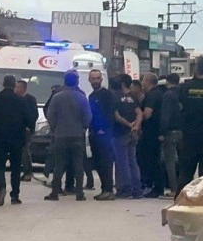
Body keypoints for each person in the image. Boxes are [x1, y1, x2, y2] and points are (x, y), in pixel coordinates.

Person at [45, 70, 92, 201]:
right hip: (77, 135)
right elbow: (88, 117)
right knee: (78, 164)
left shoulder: (57, 97)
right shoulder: (81, 97)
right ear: (77, 82)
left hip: (60, 135)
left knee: (59, 164)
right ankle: (79, 193)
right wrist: (83, 128)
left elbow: (50, 115)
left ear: (64, 81)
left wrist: (55, 128)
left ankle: (55, 192)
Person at [0, 75, 33, 206]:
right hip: (16, 138)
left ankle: (1, 187)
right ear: (14, 85)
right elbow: (29, 119)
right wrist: (29, 129)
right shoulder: (20, 100)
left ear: (3, 84)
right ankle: (15, 195)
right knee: (15, 167)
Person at [176, 57, 203, 196]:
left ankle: (180, 203)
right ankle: (202, 206)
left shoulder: (184, 88)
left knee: (185, 175)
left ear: (197, 68)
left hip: (188, 138)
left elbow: (178, 109)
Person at [88, 70, 117, 201]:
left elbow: (111, 113)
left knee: (106, 163)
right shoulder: (91, 96)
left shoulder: (107, 95)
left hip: (104, 134)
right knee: (98, 163)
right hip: (93, 134)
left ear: (101, 79)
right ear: (89, 80)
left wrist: (104, 129)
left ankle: (109, 190)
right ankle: (104, 189)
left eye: (97, 78)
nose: (95, 81)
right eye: (93, 78)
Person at [113, 81, 143, 199]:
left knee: (123, 163)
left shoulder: (115, 98)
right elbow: (139, 113)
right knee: (133, 161)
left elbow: (117, 116)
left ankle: (126, 189)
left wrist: (128, 124)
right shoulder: (132, 98)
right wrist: (136, 126)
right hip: (133, 134)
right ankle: (137, 189)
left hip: (120, 133)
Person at [140, 73, 165, 198]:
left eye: (143, 80)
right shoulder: (157, 93)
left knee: (151, 160)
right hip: (155, 131)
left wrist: (138, 119)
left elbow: (147, 114)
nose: (142, 83)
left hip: (151, 132)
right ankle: (157, 186)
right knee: (154, 159)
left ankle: (156, 187)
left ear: (148, 81)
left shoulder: (152, 95)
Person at [159, 73, 183, 198]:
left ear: (167, 81)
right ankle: (183, 187)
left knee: (170, 162)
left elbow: (165, 115)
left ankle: (174, 190)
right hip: (182, 131)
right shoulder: (182, 93)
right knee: (182, 161)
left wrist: (162, 131)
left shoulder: (168, 95)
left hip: (170, 132)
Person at [15, 80, 39, 182]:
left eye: (18, 87)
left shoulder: (30, 99)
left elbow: (34, 114)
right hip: (17, 129)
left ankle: (28, 172)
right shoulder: (16, 98)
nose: (16, 89)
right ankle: (24, 171)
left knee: (25, 150)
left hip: (27, 129)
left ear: (23, 88)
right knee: (20, 151)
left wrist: (29, 125)